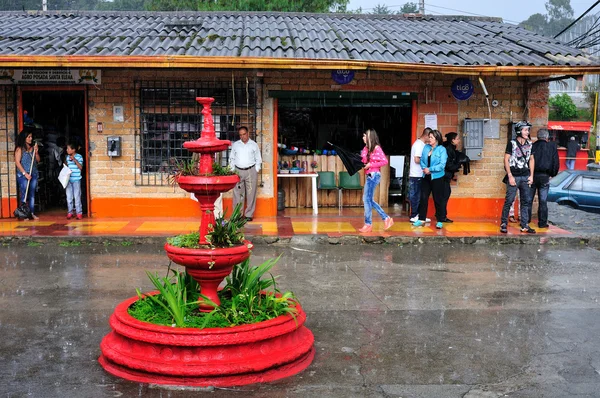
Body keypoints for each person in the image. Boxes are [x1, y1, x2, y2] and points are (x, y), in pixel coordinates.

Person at [500, 121, 535, 234]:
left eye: (528, 130)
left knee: (525, 201)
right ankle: (504, 223)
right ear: (519, 131)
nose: (527, 132)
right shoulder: (512, 143)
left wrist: (531, 176)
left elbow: (532, 159)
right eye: (525, 130)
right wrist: (510, 175)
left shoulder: (530, 144)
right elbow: (506, 159)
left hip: (525, 176)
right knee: (509, 200)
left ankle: (525, 224)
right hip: (514, 176)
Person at [358, 129, 394, 233]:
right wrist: (364, 154)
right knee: (368, 199)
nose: (363, 138)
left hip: (374, 175)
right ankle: (383, 219)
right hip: (370, 176)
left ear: (370, 137)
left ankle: (371, 223)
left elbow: (384, 161)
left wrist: (371, 165)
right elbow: (364, 161)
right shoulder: (366, 149)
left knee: (367, 199)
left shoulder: (377, 148)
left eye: (365, 136)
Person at [413, 129, 448, 229]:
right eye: (429, 137)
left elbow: (442, 165)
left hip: (437, 177)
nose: (429, 139)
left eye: (431, 137)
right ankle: (421, 219)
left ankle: (440, 220)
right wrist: (424, 168)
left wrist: (430, 169)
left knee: (438, 199)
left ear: (437, 139)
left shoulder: (442, 149)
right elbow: (422, 160)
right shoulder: (426, 147)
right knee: (423, 198)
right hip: (426, 176)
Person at [229, 126, 262, 221]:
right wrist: (232, 170)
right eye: (240, 135)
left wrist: (256, 169)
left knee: (251, 193)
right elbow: (232, 158)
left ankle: (249, 215)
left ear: (248, 133)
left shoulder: (253, 145)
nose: (242, 136)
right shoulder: (236, 145)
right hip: (238, 171)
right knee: (238, 193)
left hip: (250, 170)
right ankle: (237, 215)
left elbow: (258, 158)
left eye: (244, 134)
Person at [528, 128, 559, 229]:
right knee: (543, 201)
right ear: (547, 137)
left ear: (537, 137)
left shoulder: (532, 146)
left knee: (528, 200)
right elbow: (555, 163)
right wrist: (552, 174)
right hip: (545, 176)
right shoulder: (552, 147)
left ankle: (526, 221)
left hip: (532, 175)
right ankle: (542, 223)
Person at [14, 127, 40, 220]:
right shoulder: (19, 149)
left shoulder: (33, 148)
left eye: (31, 137)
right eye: (29, 137)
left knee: (32, 194)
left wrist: (36, 152)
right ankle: (24, 214)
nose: (30, 138)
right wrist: (25, 174)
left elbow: (37, 160)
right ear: (24, 137)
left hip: (33, 173)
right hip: (23, 175)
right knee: (24, 194)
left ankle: (31, 213)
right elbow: (17, 162)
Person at [408, 128, 431, 223]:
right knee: (415, 196)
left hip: (420, 175)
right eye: (429, 137)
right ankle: (414, 215)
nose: (430, 139)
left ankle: (421, 216)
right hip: (416, 175)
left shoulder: (422, 144)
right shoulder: (418, 145)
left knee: (421, 196)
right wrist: (428, 160)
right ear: (426, 135)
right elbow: (416, 160)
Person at [442, 132, 461, 223]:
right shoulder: (448, 149)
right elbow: (448, 165)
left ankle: (441, 215)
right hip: (444, 176)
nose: (459, 140)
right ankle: (442, 216)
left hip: (446, 176)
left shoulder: (451, 148)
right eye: (457, 139)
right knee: (444, 195)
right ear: (453, 140)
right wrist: (458, 165)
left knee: (444, 195)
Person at [65, 141, 84, 220]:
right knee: (69, 197)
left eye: (68, 149)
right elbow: (66, 167)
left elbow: (81, 167)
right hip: (68, 180)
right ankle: (70, 212)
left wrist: (75, 160)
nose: (67, 150)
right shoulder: (67, 157)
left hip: (76, 179)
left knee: (77, 197)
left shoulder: (79, 157)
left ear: (73, 150)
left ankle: (79, 213)